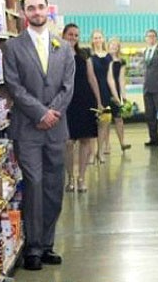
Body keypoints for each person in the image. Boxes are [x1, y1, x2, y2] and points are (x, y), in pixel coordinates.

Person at [3, 0, 75, 271]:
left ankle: (47, 244)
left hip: (57, 129)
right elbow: (14, 86)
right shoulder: (13, 47)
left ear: (48, 10)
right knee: (34, 184)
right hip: (28, 128)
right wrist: (40, 112)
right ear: (24, 13)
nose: (36, 12)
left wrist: (52, 112)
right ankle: (32, 248)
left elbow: (67, 87)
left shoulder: (63, 47)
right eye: (30, 8)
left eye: (40, 7)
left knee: (54, 186)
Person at [62, 24, 102, 194]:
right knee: (68, 142)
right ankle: (70, 177)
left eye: (76, 35)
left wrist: (98, 101)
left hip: (85, 99)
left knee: (85, 140)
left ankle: (82, 177)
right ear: (63, 35)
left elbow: (91, 78)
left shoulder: (84, 55)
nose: (73, 37)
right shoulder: (56, 54)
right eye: (70, 34)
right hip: (65, 101)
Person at [90, 29, 113, 163]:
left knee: (104, 122)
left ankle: (100, 151)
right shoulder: (89, 56)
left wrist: (115, 94)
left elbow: (110, 77)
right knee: (93, 122)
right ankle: (92, 153)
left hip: (105, 91)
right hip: (92, 90)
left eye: (100, 37)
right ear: (92, 40)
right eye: (95, 38)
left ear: (103, 39)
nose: (98, 40)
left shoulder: (108, 56)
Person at [107, 37, 131, 151]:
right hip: (105, 90)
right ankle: (106, 145)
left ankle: (122, 142)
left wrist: (123, 96)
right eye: (112, 45)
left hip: (116, 89)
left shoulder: (121, 61)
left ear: (118, 48)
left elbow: (121, 79)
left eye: (115, 45)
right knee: (105, 119)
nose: (113, 47)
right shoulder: (104, 59)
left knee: (119, 118)